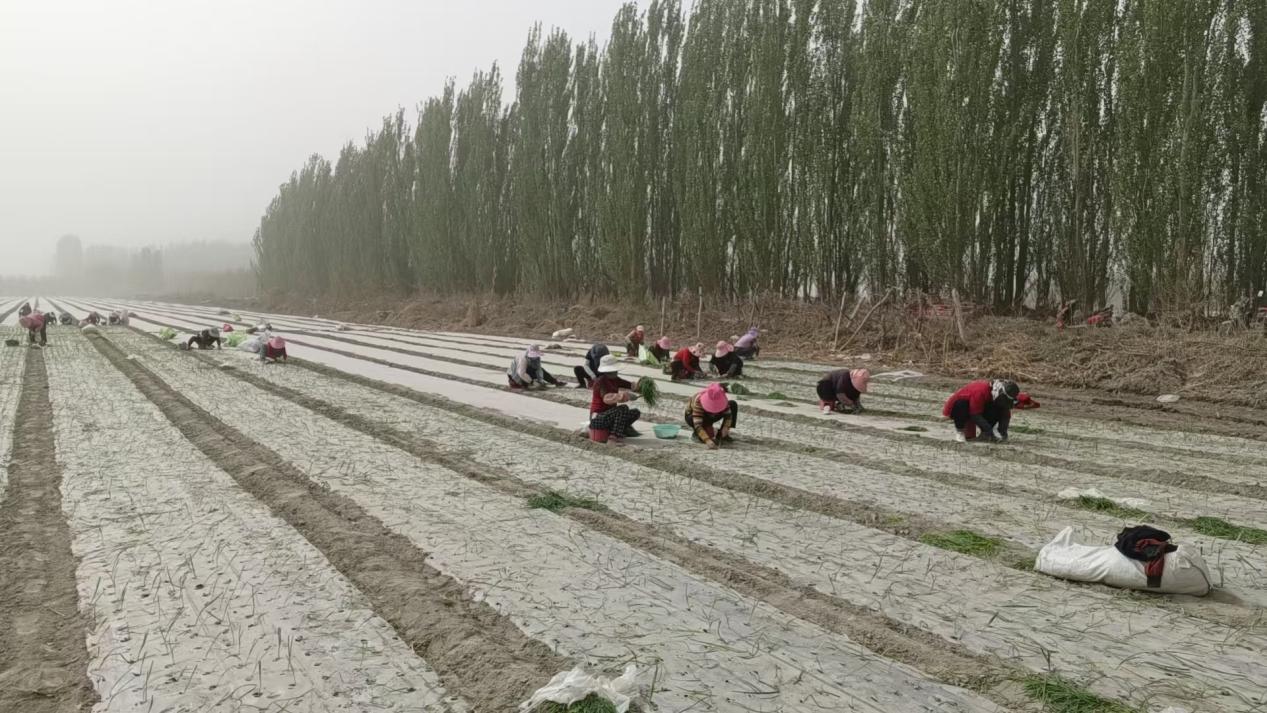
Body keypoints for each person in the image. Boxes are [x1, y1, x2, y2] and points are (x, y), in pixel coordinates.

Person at [943, 379, 1022, 443]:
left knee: (998, 407)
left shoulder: (999, 396)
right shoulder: (980, 391)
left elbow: (1005, 415)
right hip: (959, 410)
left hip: (978, 408)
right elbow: (974, 414)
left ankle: (985, 435)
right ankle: (960, 432)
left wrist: (1003, 433)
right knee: (961, 403)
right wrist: (989, 431)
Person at [588, 354, 642, 442]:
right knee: (623, 409)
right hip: (598, 418)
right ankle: (613, 437)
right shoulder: (600, 382)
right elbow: (606, 398)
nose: (616, 373)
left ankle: (622, 429)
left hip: (610, 416)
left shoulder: (615, 379)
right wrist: (625, 396)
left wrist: (638, 387)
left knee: (635, 412)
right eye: (613, 371)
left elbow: (628, 384)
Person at [685, 383, 738, 450]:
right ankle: (697, 434)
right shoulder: (699, 400)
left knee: (733, 404)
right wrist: (707, 440)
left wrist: (726, 427)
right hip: (695, 417)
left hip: (711, 416)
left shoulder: (723, 399)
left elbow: (728, 415)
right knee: (706, 435)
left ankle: (722, 435)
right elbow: (697, 424)